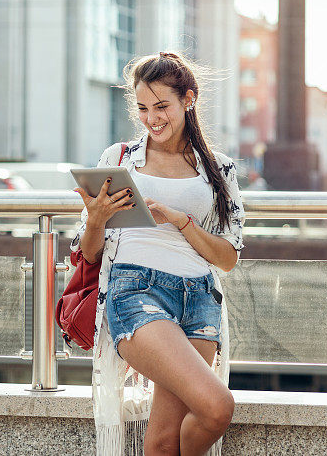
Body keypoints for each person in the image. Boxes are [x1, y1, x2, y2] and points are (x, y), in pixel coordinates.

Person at [72, 51, 245, 456]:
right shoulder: (119, 159)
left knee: (166, 438)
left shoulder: (219, 169)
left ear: (189, 99)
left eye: (162, 105)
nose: (152, 118)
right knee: (218, 406)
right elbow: (89, 253)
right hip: (136, 292)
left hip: (199, 298)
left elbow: (228, 257)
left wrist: (182, 221)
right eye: (143, 108)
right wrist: (96, 220)